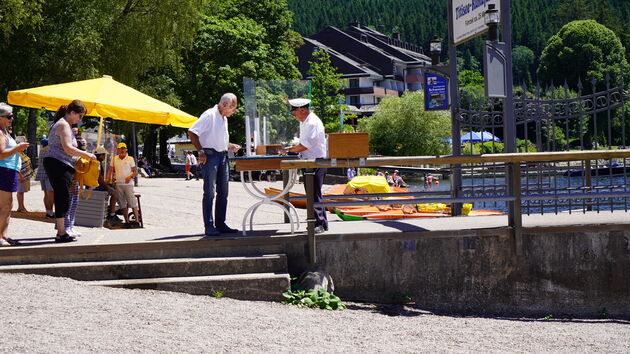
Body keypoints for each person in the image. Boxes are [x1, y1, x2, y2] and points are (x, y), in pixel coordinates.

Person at [188, 93, 241, 236]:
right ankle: (209, 225)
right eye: (233, 108)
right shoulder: (209, 114)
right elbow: (192, 132)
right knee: (210, 192)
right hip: (211, 156)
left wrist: (230, 145)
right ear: (224, 105)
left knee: (223, 192)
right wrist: (201, 151)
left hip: (222, 156)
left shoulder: (223, 118)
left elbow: (217, 139)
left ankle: (221, 223)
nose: (234, 111)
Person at [43, 100, 96, 243]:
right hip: (57, 163)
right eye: (80, 116)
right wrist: (87, 155)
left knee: (64, 197)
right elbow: (67, 148)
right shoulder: (63, 125)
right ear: (72, 113)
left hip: (61, 163)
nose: (80, 120)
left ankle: (63, 231)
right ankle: (61, 232)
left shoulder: (65, 125)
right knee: (62, 197)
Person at [284, 98, 328, 234]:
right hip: (310, 161)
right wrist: (291, 148)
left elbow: (305, 145)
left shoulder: (312, 122)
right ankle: (319, 222)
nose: (294, 116)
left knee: (314, 193)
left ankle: (319, 223)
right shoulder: (306, 122)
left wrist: (289, 150)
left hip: (316, 161)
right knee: (313, 193)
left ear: (302, 110)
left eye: (294, 112)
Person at [0, 103, 29, 246]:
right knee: (5, 205)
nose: (12, 118)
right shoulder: (0, 133)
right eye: (9, 116)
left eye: (12, 116)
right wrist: (17, 147)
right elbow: (1, 154)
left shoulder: (5, 132)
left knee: (8, 205)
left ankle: (4, 236)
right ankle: (0, 237)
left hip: (9, 170)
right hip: (4, 170)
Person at [109, 142, 139, 227]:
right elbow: (111, 170)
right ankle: (127, 222)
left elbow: (134, 171)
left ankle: (136, 221)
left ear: (126, 149)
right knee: (122, 203)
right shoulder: (114, 158)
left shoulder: (130, 159)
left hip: (128, 184)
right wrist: (108, 178)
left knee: (132, 202)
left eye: (124, 148)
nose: (122, 150)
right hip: (119, 184)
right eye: (120, 148)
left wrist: (129, 177)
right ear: (118, 150)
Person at [93, 146, 122, 225]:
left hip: (95, 185)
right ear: (100, 155)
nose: (105, 156)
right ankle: (112, 214)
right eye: (104, 155)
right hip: (95, 187)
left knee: (113, 189)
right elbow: (99, 178)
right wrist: (107, 187)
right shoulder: (97, 163)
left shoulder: (96, 162)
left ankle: (111, 210)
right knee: (115, 193)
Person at [34, 138, 55, 218]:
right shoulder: (50, 150)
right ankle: (50, 213)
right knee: (51, 194)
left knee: (46, 194)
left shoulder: (42, 150)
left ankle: (48, 212)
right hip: (49, 174)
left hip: (42, 173)